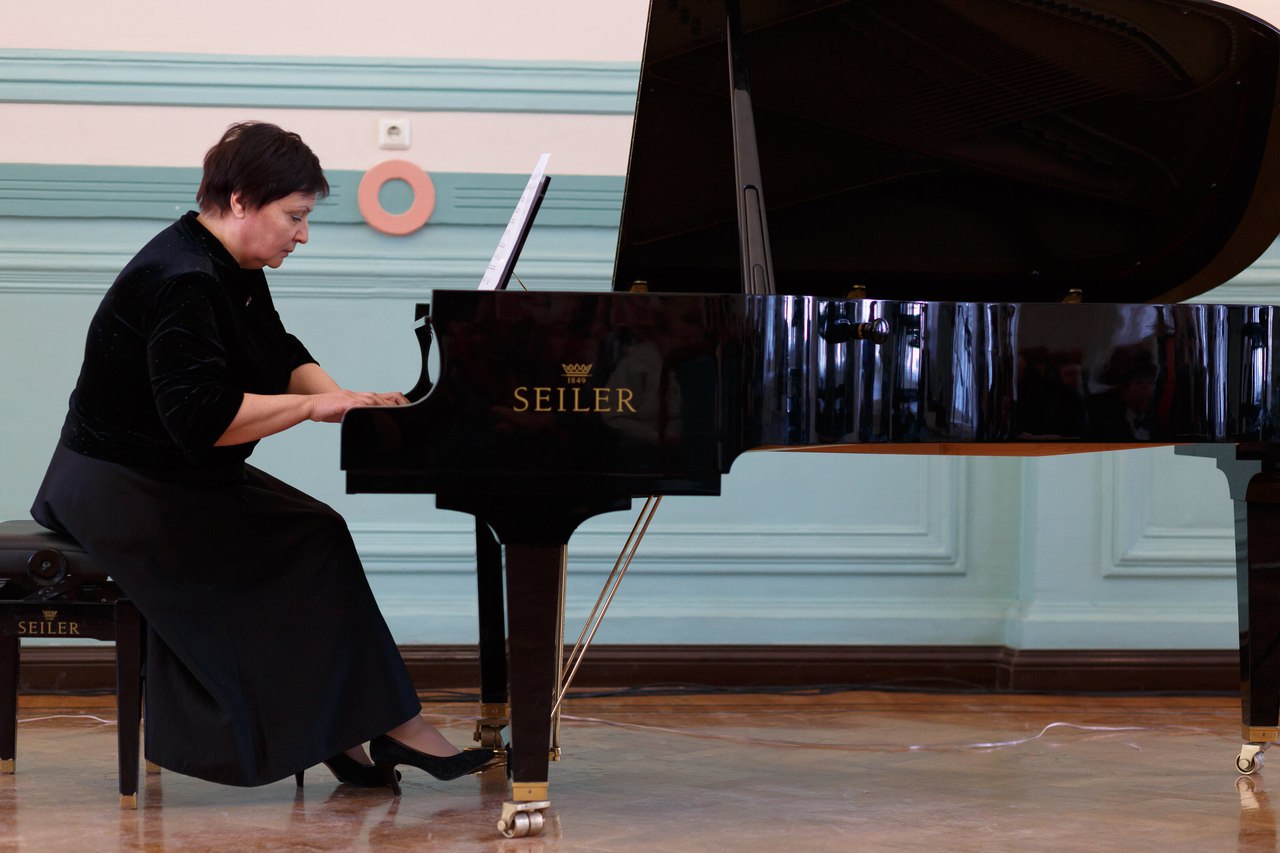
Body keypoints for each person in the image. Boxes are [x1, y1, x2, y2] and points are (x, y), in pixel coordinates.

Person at [29, 121, 494, 791]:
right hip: (116, 487)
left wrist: (344, 399)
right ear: (242, 200)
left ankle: (366, 727)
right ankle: (381, 727)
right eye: (294, 217)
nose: (302, 235)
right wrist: (311, 409)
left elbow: (277, 348)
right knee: (301, 546)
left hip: (170, 474)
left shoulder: (230, 264)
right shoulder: (182, 278)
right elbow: (201, 421)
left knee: (318, 532)